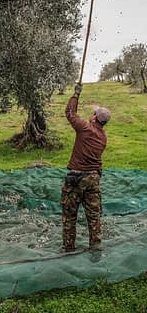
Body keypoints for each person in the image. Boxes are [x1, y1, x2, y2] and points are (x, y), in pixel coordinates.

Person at [61, 83, 111, 252]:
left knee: (69, 217)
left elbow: (69, 113)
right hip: (93, 180)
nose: (91, 115)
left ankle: (69, 249)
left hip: (76, 179)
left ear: (95, 118)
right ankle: (96, 247)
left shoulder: (85, 129)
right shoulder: (103, 137)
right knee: (94, 216)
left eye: (93, 113)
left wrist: (76, 94)